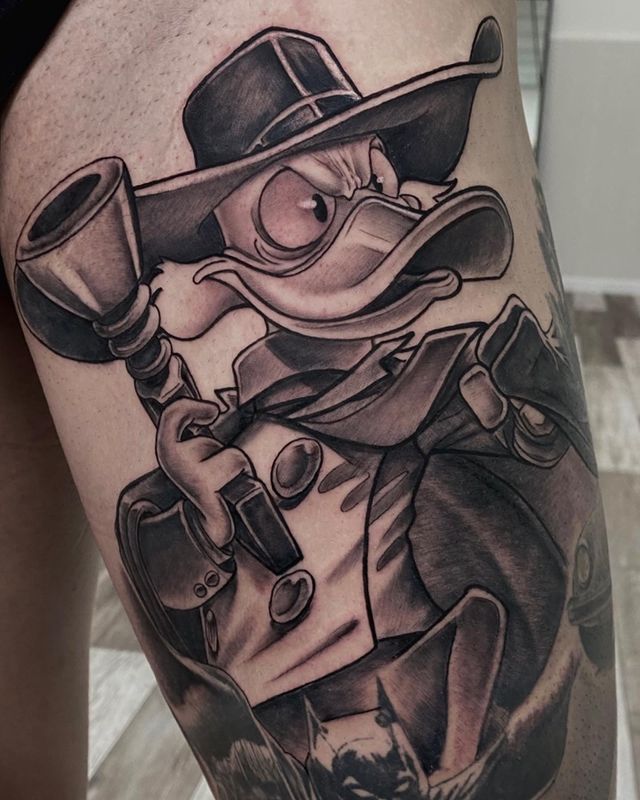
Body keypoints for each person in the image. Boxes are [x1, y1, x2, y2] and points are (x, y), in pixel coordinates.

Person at [0, 2, 617, 799]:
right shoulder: (217, 433)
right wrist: (200, 512)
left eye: (379, 179)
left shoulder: (456, 380)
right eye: (312, 205)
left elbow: (534, 584)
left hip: (430, 718)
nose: (372, 215)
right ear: (225, 249)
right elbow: (180, 594)